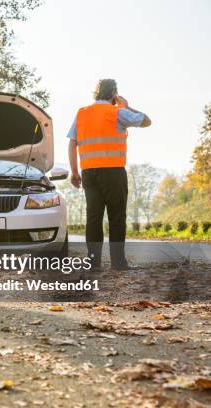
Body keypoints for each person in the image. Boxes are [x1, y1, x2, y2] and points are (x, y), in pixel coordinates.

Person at [67, 79, 151, 270]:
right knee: (116, 217)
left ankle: (93, 263)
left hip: (89, 172)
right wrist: (126, 106)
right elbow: (147, 121)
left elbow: (73, 143)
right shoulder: (118, 112)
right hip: (113, 171)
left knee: (94, 217)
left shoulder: (82, 113)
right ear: (114, 93)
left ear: (96, 93)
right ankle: (118, 263)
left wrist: (74, 171)